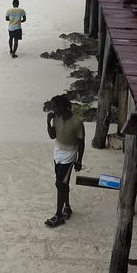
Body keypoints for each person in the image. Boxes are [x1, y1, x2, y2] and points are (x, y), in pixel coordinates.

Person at [45, 95, 85, 228]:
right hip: (58, 153)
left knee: (59, 183)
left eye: (55, 107)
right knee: (63, 182)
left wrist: (79, 160)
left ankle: (58, 215)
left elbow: (81, 143)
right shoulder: (56, 118)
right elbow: (52, 136)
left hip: (69, 155)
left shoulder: (77, 122)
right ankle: (67, 206)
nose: (53, 110)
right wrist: (48, 123)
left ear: (62, 107)